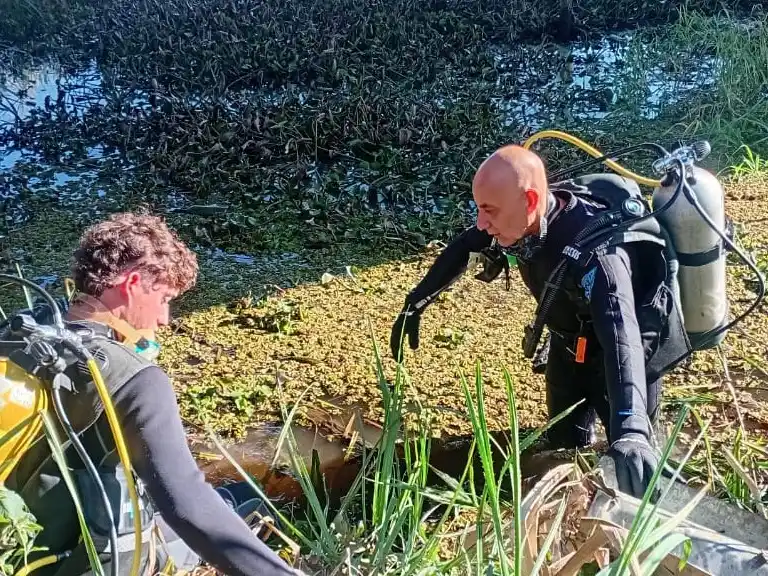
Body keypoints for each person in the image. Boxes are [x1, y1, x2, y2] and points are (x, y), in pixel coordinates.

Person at [4, 212, 301, 576]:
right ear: (132, 284)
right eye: (164, 297)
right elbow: (188, 506)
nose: (165, 318)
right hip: (88, 561)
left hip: (18, 547)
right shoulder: (136, 379)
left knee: (231, 495)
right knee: (251, 500)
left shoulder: (17, 333)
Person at [390, 145, 691, 500]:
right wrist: (416, 301)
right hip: (569, 346)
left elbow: (620, 334)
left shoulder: (600, 256)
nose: (481, 222)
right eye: (478, 208)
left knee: (630, 467)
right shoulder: (515, 217)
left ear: (530, 200)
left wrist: (632, 431)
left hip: (626, 360)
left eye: (488, 211)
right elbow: (466, 244)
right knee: (563, 448)